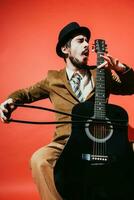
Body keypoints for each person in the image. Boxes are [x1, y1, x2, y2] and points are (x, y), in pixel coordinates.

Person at [0, 22, 134, 200]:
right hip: (65, 142)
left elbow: (130, 86)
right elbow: (25, 94)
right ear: (65, 49)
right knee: (40, 160)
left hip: (101, 142)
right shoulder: (52, 79)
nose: (86, 44)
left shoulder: (101, 74)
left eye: (87, 41)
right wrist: (10, 101)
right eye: (80, 41)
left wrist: (120, 68)